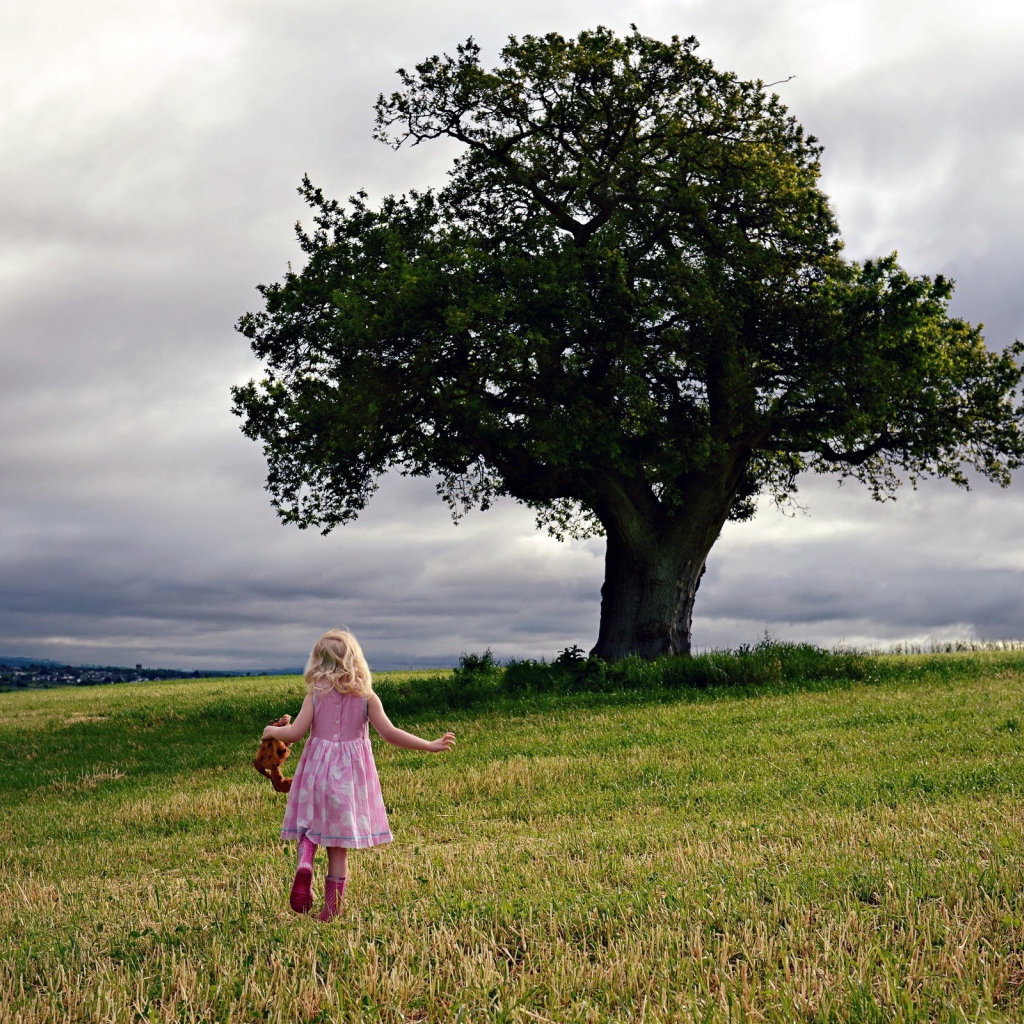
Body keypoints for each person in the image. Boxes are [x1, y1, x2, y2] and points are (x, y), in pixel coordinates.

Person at [263, 627, 455, 921]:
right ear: (355, 660)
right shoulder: (366, 697)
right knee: (338, 848)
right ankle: (331, 909)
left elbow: (296, 732)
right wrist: (428, 745)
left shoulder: (315, 695)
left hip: (317, 772)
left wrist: (272, 731)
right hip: (349, 781)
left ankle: (305, 861)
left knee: (308, 824)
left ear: (317, 663)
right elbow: (390, 733)